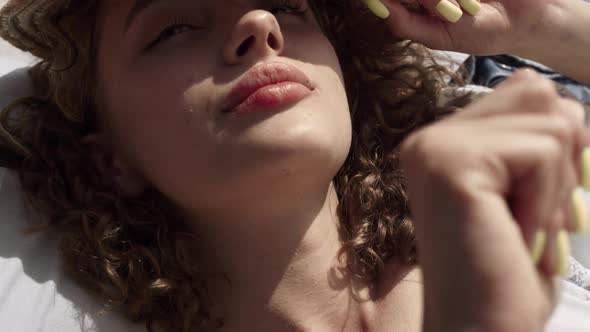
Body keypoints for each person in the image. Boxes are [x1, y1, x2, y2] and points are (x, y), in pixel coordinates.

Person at [0, 0, 589, 331]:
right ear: (107, 160)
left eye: (285, 3)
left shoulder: (514, 158)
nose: (260, 25)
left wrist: (545, 25)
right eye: (173, 27)